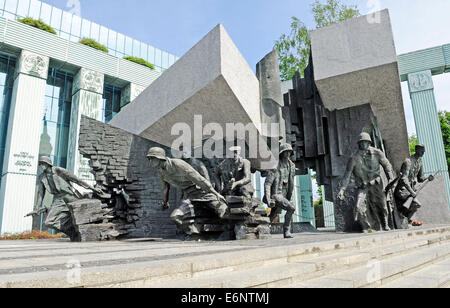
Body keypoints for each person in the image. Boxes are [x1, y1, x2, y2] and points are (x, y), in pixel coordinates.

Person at [146, 147, 228, 235]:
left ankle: (229, 232)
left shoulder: (178, 164)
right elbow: (165, 188)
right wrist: (165, 202)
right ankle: (194, 234)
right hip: (190, 196)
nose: (150, 161)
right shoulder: (161, 172)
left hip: (204, 193)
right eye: (149, 159)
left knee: (223, 211)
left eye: (152, 158)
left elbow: (199, 179)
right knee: (175, 217)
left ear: (159, 158)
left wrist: (216, 194)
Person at [27, 156, 103, 242]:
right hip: (58, 199)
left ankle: (83, 231)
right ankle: (73, 232)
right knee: (48, 222)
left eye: (42, 164)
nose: (41, 166)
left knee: (81, 215)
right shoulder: (42, 177)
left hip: (70, 196)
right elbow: (40, 193)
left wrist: (93, 189)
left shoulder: (58, 170)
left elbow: (77, 180)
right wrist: (37, 207)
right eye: (40, 164)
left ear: (48, 164)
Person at [338, 133, 395, 233]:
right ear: (359, 144)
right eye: (361, 142)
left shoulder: (378, 153)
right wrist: (342, 190)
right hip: (363, 186)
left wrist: (390, 178)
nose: (363, 144)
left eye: (365, 142)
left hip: (376, 184)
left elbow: (387, 165)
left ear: (369, 142)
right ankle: (366, 226)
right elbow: (347, 175)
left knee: (382, 205)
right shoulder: (354, 158)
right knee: (358, 207)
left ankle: (385, 224)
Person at [394, 144, 434, 224]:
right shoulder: (408, 161)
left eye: (424, 151)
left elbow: (420, 178)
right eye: (422, 151)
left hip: (410, 190)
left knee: (415, 205)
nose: (423, 152)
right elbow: (404, 178)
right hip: (402, 190)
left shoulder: (419, 162)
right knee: (416, 204)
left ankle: (407, 219)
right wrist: (411, 192)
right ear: (417, 150)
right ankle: (402, 215)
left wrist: (428, 178)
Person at [264, 143, 296, 239]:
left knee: (274, 214)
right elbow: (267, 183)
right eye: (285, 152)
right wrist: (268, 198)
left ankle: (263, 227)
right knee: (291, 208)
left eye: (289, 152)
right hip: (276, 194)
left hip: (285, 194)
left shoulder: (292, 166)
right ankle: (286, 230)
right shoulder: (275, 166)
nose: (287, 154)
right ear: (281, 153)